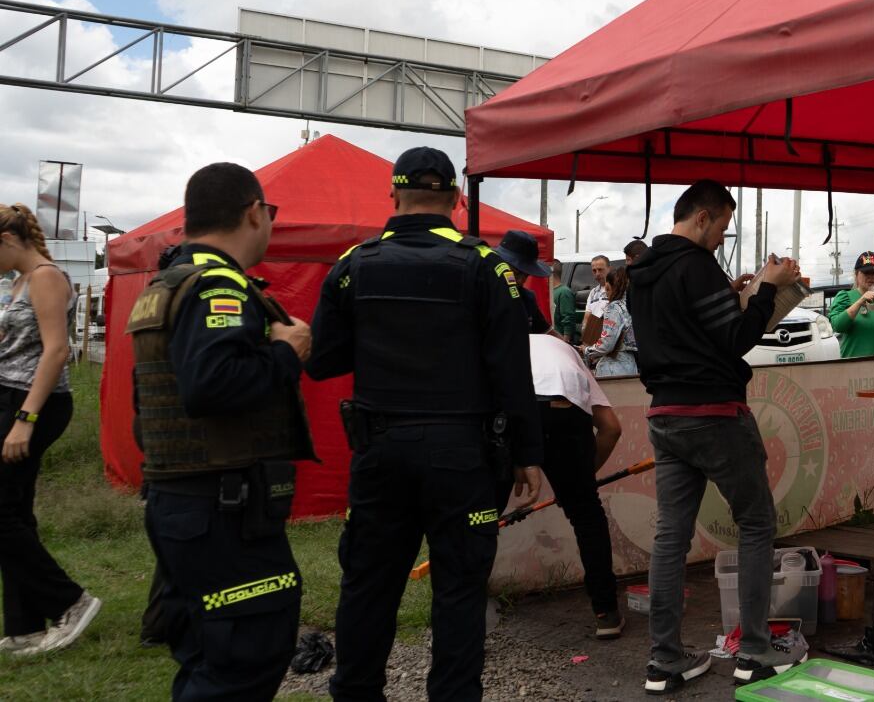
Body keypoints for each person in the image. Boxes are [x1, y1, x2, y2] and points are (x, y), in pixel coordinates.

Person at [306, 147, 542, 702]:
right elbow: (512, 370)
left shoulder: (353, 264)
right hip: (462, 456)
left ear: (393, 193)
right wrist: (528, 454)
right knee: (459, 593)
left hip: (380, 451)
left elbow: (321, 360)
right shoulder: (486, 265)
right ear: (456, 199)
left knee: (368, 586)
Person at [125, 165, 316, 699]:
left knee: (206, 653)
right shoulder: (217, 286)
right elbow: (212, 386)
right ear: (254, 211)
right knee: (246, 654)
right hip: (222, 510)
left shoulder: (167, 283)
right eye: (269, 214)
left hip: (183, 500)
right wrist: (287, 352)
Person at [629, 180, 806, 694]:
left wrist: (732, 295)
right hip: (715, 413)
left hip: (665, 413)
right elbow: (735, 340)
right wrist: (768, 288)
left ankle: (664, 660)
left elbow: (688, 326)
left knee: (671, 535)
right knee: (756, 523)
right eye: (723, 226)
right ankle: (755, 652)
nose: (721, 238)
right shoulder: (697, 265)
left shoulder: (643, 272)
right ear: (702, 216)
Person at [0, 203, 101, 657]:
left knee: (3, 512)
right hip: (11, 394)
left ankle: (70, 602)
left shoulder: (46, 277)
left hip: (33, 401)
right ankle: (25, 627)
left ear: (7, 240)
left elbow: (57, 350)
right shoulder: (19, 281)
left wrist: (26, 420)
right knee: (14, 511)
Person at [528, 333, 624, 637]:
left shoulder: (502, 339)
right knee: (586, 516)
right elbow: (611, 429)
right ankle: (606, 612)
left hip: (512, 410)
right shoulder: (566, 352)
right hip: (563, 409)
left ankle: (470, 613)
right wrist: (579, 481)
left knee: (485, 512)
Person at [493, 229, 553, 335]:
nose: (521, 281)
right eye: (516, 274)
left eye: (526, 275)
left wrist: (566, 345)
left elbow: (546, 331)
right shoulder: (482, 293)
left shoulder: (527, 299)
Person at [584, 266, 638, 377]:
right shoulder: (633, 305)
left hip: (613, 368)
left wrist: (588, 350)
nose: (606, 294)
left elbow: (607, 344)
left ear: (615, 288)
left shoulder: (614, 307)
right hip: (631, 366)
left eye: (608, 289)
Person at [581, 255, 611, 345]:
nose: (597, 273)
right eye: (594, 271)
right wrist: (585, 340)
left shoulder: (617, 290)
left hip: (610, 341)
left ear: (609, 269)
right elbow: (587, 318)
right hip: (593, 341)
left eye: (600, 270)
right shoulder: (593, 293)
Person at [550, 258, 581, 345]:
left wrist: (565, 341)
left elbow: (568, 318)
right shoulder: (550, 292)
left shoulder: (564, 292)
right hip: (551, 341)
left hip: (560, 342)